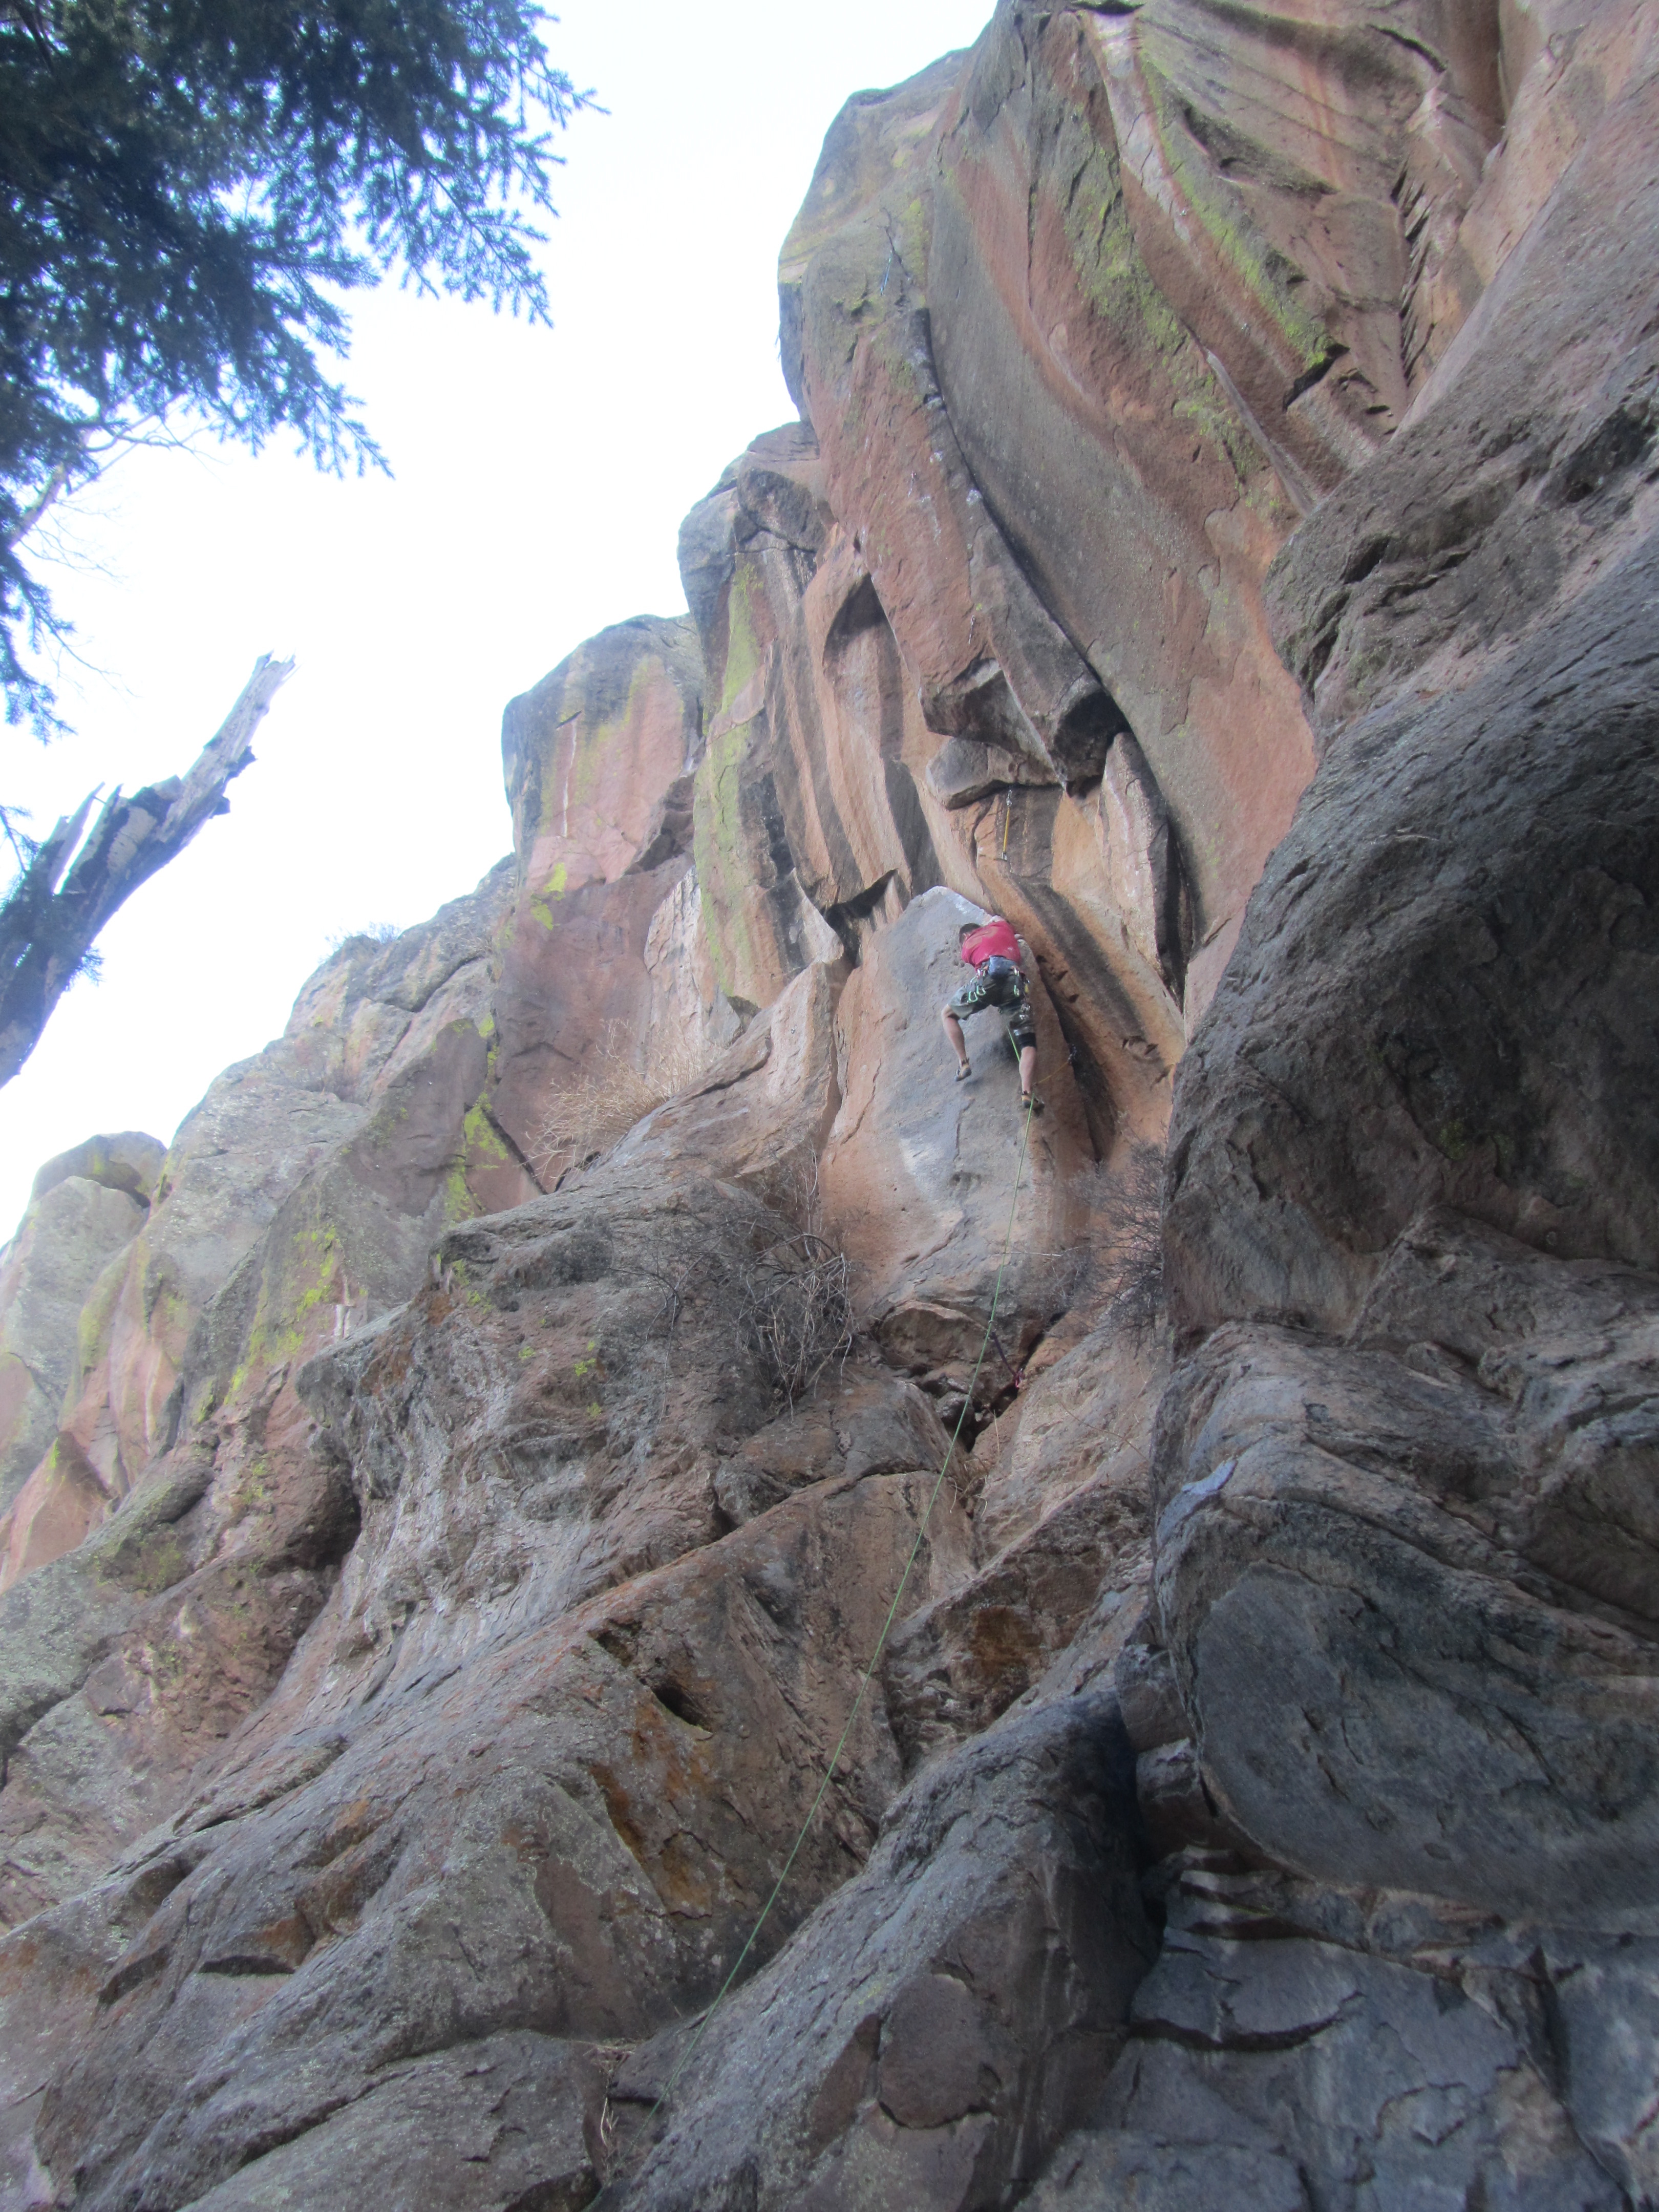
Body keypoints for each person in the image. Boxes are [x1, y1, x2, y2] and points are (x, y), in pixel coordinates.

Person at [942, 914, 1044, 1112]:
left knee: (947, 1015)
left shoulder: (969, 943)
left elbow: (971, 955)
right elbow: (999, 920)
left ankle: (964, 1063)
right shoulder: (1003, 928)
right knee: (1028, 1043)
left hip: (988, 980)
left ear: (965, 936)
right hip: (1015, 983)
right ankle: (1027, 1093)